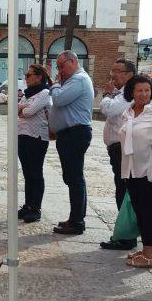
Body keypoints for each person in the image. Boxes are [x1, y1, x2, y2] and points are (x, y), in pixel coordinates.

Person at [118, 75, 152, 268]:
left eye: (147, 90)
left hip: (151, 169)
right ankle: (146, 248)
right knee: (139, 209)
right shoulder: (128, 111)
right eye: (139, 90)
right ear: (132, 91)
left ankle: (150, 255)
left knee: (148, 210)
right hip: (131, 169)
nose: (143, 94)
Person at [49, 50, 95, 235]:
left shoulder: (79, 80)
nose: (59, 71)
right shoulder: (72, 80)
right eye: (58, 68)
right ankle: (75, 218)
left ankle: (77, 221)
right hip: (68, 134)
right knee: (72, 178)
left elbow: (59, 100)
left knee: (75, 178)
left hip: (75, 134)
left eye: (61, 66)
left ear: (73, 62)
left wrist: (55, 84)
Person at [99, 58, 136, 251]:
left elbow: (110, 109)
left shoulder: (128, 94)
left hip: (123, 149)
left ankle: (126, 236)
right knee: (121, 189)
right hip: (117, 148)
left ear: (129, 74)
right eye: (112, 69)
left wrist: (106, 94)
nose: (113, 74)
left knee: (123, 190)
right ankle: (124, 233)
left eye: (117, 70)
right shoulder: (121, 93)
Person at [17, 64, 52, 223]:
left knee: (35, 173)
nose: (26, 77)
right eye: (26, 74)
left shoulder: (44, 92)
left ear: (39, 77)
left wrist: (22, 108)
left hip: (37, 137)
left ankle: (35, 207)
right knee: (27, 173)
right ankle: (28, 205)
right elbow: (16, 108)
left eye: (29, 75)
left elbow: (28, 112)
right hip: (23, 135)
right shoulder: (27, 93)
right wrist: (22, 108)